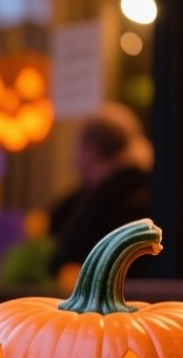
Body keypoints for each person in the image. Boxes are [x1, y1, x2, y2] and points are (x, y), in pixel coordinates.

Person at [48, 104, 154, 275]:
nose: (72, 161)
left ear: (91, 150)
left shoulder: (112, 203)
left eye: (76, 148)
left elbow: (65, 260)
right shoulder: (143, 190)